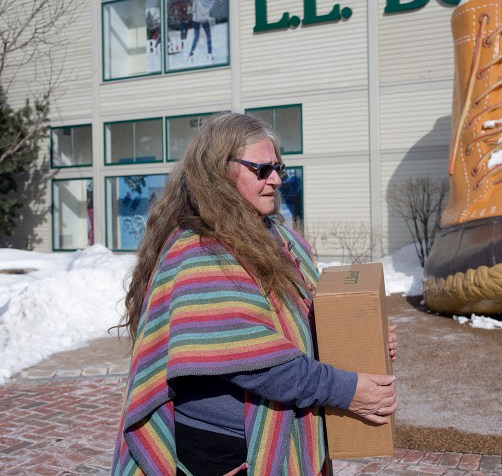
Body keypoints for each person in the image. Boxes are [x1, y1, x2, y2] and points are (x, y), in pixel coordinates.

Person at [112, 113, 398, 476]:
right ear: (218, 171)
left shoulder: (278, 238)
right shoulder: (201, 251)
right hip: (223, 452)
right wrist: (345, 388)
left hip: (268, 433)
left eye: (278, 167)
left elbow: (302, 324)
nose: (276, 180)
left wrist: (360, 342)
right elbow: (259, 364)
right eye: (262, 169)